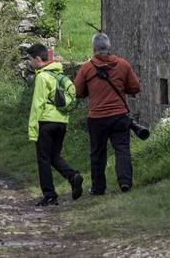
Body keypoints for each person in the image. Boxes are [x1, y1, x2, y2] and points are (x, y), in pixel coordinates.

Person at [75, 33, 141, 196]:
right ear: (109, 47)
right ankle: (125, 182)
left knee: (97, 152)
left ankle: (98, 188)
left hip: (97, 117)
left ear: (94, 48)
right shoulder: (123, 65)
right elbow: (135, 87)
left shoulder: (87, 68)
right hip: (119, 116)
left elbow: (77, 92)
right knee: (122, 149)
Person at [27, 43, 83, 208]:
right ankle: (73, 177)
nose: (29, 63)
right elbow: (73, 94)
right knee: (54, 156)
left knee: (43, 160)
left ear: (38, 59)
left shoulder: (42, 77)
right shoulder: (61, 76)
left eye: (30, 59)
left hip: (46, 122)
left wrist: (32, 130)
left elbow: (37, 105)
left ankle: (50, 195)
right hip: (62, 122)